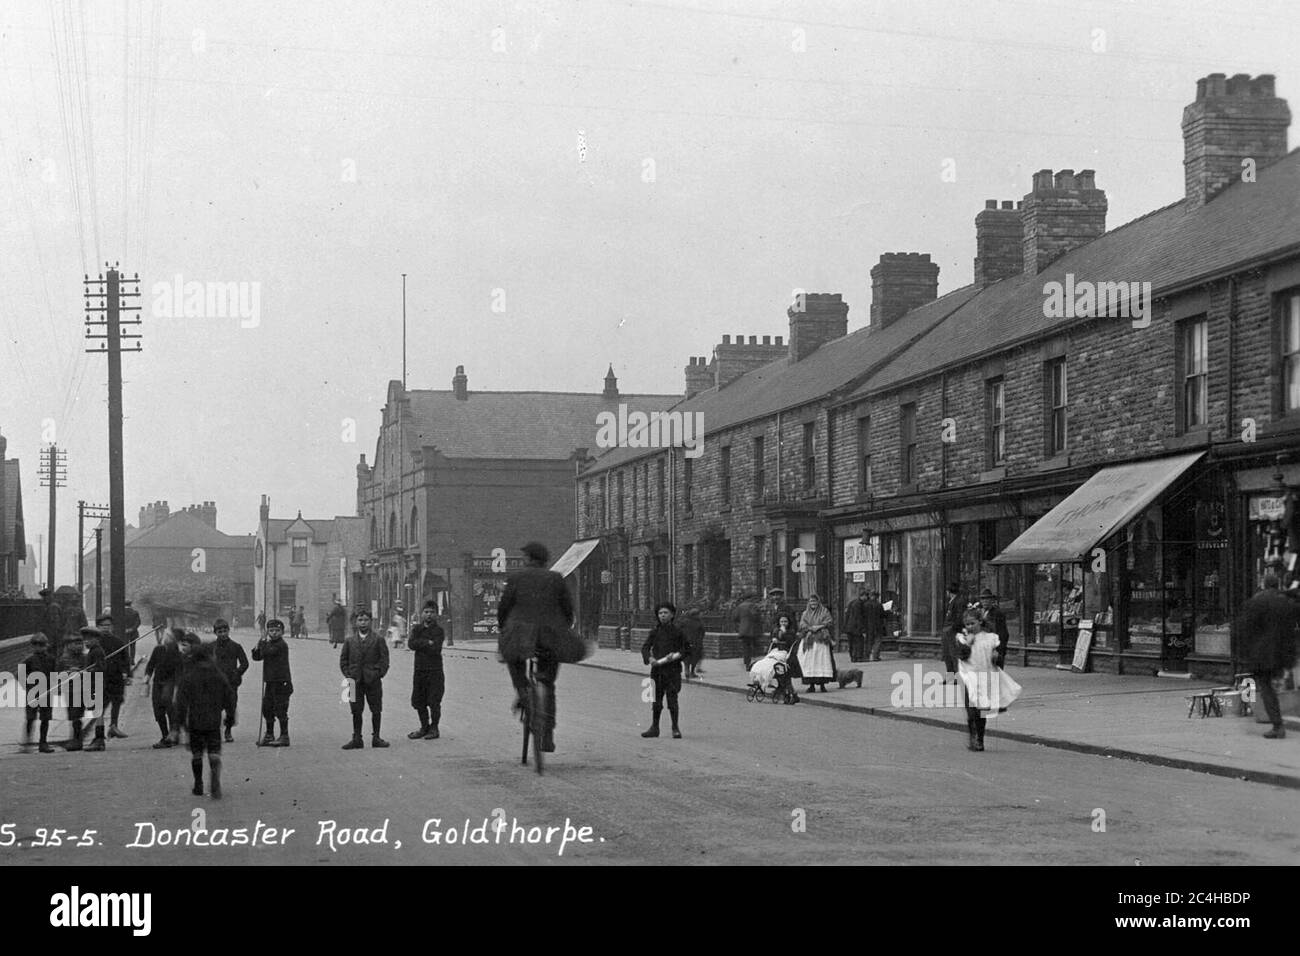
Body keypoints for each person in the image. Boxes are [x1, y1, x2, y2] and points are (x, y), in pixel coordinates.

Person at [497, 541, 573, 755]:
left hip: (521, 634)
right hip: (550, 634)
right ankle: (547, 734)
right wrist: (563, 628)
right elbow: (567, 609)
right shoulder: (556, 578)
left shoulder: (516, 578)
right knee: (548, 682)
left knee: (513, 659)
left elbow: (504, 608)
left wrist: (504, 628)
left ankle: (522, 691)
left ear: (529, 559)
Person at [1236, 574, 1300, 739]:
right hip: (1283, 653)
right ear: (1276, 584)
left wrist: (1245, 652)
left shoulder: (1256, 602)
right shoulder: (1286, 602)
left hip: (1262, 654)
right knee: (1281, 685)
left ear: (1264, 584)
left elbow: (1246, 628)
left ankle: (1277, 725)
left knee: (1266, 688)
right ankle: (1282, 719)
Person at [955, 609, 1022, 751]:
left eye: (972, 623)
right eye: (967, 624)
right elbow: (962, 656)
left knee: (982, 711)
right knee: (971, 709)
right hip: (969, 676)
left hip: (985, 676)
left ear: (980, 622)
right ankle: (974, 738)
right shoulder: (962, 637)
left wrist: (996, 656)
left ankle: (980, 738)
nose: (969, 627)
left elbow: (998, 657)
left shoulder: (991, 638)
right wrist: (967, 643)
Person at [175, 643, 236, 799]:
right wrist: (230, 716)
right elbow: (229, 697)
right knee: (213, 751)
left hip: (195, 720)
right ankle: (214, 773)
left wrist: (179, 723)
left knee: (196, 753)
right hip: (213, 720)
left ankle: (198, 784)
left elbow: (180, 702)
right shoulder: (218, 675)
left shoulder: (188, 676)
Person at [340, 607, 390, 749]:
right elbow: (344, 660)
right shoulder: (349, 641)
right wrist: (348, 675)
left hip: (372, 681)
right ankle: (357, 738)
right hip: (354, 682)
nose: (363, 623)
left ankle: (376, 737)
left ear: (370, 621)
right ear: (355, 622)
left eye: (366, 620)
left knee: (376, 709)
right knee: (356, 710)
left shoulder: (378, 639)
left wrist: (377, 674)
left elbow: (384, 660)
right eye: (360, 620)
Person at [640, 602, 691, 738]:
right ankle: (654, 728)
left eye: (665, 613)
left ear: (672, 615)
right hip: (657, 671)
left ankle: (675, 728)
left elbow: (686, 649)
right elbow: (645, 647)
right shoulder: (654, 632)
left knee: (672, 700)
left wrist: (675, 655)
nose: (663, 615)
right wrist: (649, 658)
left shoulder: (678, 632)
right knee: (656, 701)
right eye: (660, 613)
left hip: (672, 671)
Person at [407, 600, 445, 740]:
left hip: (434, 671)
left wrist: (421, 643)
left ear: (436, 614)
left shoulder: (439, 631)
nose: (429, 615)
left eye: (432, 612)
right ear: (422, 614)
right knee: (418, 701)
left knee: (434, 701)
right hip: (420, 670)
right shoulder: (417, 629)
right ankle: (424, 727)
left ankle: (434, 728)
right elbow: (411, 644)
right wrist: (427, 642)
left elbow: (436, 648)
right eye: (426, 612)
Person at [252, 618, 293, 746]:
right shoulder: (268, 643)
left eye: (277, 630)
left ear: (282, 632)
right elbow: (257, 657)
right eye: (271, 630)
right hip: (271, 682)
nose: (274, 633)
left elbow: (268, 653)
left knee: (281, 709)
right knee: (267, 708)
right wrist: (260, 642)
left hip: (281, 682)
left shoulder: (281, 645)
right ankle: (269, 734)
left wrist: (263, 641)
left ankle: (284, 736)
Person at [144, 629, 184, 748]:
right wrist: (147, 676)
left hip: (170, 682)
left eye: (169, 636)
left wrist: (176, 689)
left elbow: (179, 673)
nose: (165, 638)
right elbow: (151, 664)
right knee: (158, 708)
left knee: (169, 707)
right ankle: (165, 734)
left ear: (174, 640)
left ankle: (172, 735)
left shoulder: (177, 654)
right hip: (157, 682)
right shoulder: (158, 649)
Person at [212, 619, 249, 743]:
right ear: (215, 633)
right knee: (214, 708)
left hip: (231, 683)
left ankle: (228, 731)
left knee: (231, 707)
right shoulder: (211, 647)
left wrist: (237, 673)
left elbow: (245, 663)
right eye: (219, 631)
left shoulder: (236, 646)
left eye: (225, 631)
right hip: (215, 683)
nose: (223, 634)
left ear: (228, 631)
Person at [95, 611, 130, 739]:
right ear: (98, 627)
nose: (106, 627)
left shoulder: (118, 642)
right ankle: (99, 732)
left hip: (115, 677)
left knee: (116, 701)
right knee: (101, 705)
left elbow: (125, 658)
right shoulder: (95, 643)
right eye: (103, 625)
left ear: (112, 627)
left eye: (108, 625)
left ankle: (113, 726)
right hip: (101, 678)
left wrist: (126, 673)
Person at [20, 634, 56, 753]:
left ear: (46, 646)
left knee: (45, 718)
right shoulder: (29, 660)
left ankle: (43, 743)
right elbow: (19, 674)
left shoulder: (51, 659)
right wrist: (27, 685)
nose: (38, 648)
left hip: (47, 692)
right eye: (35, 645)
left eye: (41, 645)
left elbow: (55, 674)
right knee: (31, 717)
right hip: (33, 693)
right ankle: (27, 742)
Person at [57, 630, 91, 751]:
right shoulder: (63, 659)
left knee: (77, 715)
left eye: (80, 643)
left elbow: (90, 672)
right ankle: (75, 738)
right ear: (68, 645)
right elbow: (57, 674)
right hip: (69, 691)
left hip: (81, 690)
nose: (78, 646)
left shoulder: (86, 658)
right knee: (72, 715)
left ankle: (77, 740)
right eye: (75, 644)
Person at [797, 593, 836, 692]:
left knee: (821, 661)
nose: (813, 603)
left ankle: (822, 685)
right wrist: (810, 628)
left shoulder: (824, 611)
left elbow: (829, 621)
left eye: (814, 601)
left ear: (818, 602)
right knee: (810, 662)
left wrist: (819, 626)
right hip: (810, 640)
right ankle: (811, 685)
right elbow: (802, 624)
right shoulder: (805, 613)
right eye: (811, 601)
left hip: (821, 641)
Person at [80, 625, 109, 751]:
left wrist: (86, 672)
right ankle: (99, 739)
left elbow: (101, 668)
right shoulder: (93, 651)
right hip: (93, 684)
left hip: (97, 684)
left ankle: (99, 738)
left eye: (89, 639)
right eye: (84, 639)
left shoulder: (97, 651)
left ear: (96, 639)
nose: (86, 642)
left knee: (98, 713)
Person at [766, 611, 801, 702]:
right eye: (781, 622)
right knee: (778, 674)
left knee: (786, 675)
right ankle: (784, 691)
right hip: (776, 653)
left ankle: (790, 693)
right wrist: (774, 639)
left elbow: (791, 642)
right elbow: (772, 639)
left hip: (787, 655)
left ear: (789, 622)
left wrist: (784, 633)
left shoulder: (791, 631)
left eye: (785, 621)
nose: (783, 623)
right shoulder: (776, 630)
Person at [941, 582, 967, 681]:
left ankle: (957, 676)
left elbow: (959, 617)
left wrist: (953, 628)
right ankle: (951, 674)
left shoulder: (959, 602)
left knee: (954, 654)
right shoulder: (952, 601)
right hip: (948, 631)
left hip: (953, 631)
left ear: (949, 592)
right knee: (947, 653)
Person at [980, 588, 1010, 668]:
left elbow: (1003, 634)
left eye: (987, 599)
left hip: (994, 650)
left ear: (991, 600)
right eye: (983, 599)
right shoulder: (980, 613)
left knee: (995, 676)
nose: (985, 601)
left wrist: (998, 650)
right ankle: (950, 680)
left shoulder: (997, 613)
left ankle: (950, 680)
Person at [733, 593, 762, 671]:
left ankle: (747, 664)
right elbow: (757, 617)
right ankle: (756, 664)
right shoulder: (754, 606)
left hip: (743, 630)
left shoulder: (740, 606)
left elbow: (735, 617)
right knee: (756, 647)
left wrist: (742, 622)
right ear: (750, 598)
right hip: (753, 630)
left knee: (746, 648)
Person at [843, 588, 870, 662]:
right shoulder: (859, 604)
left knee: (852, 643)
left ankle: (853, 657)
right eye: (866, 596)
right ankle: (858, 657)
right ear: (863, 596)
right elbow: (859, 617)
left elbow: (847, 615)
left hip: (850, 627)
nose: (867, 598)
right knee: (858, 642)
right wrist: (863, 629)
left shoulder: (852, 602)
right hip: (856, 627)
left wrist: (845, 626)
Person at [679, 606, 706, 679]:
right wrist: (700, 640)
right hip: (696, 643)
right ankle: (692, 672)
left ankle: (686, 671)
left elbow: (679, 630)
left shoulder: (684, 621)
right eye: (699, 614)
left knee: (687, 657)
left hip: (685, 642)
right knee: (695, 657)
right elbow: (702, 632)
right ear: (696, 615)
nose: (701, 615)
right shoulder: (699, 623)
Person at [39, 587, 64, 658]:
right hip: (52, 638)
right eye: (43, 597)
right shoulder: (51, 606)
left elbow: (55, 625)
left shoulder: (53, 607)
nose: (43, 599)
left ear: (50, 596)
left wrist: (51, 641)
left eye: (45, 596)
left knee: (52, 657)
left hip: (52, 639)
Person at [863, 589, 886, 662]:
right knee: (877, 641)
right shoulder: (879, 605)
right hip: (878, 625)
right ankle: (875, 656)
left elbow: (863, 616)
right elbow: (883, 615)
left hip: (868, 625)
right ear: (876, 597)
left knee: (868, 641)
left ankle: (866, 656)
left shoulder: (865, 604)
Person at [123, 599, 142, 670]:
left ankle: (126, 660)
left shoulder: (121, 612)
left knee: (125, 646)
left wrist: (124, 629)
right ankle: (132, 660)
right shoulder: (135, 612)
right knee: (133, 646)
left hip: (124, 632)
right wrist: (132, 629)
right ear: (130, 605)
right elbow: (138, 622)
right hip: (133, 632)